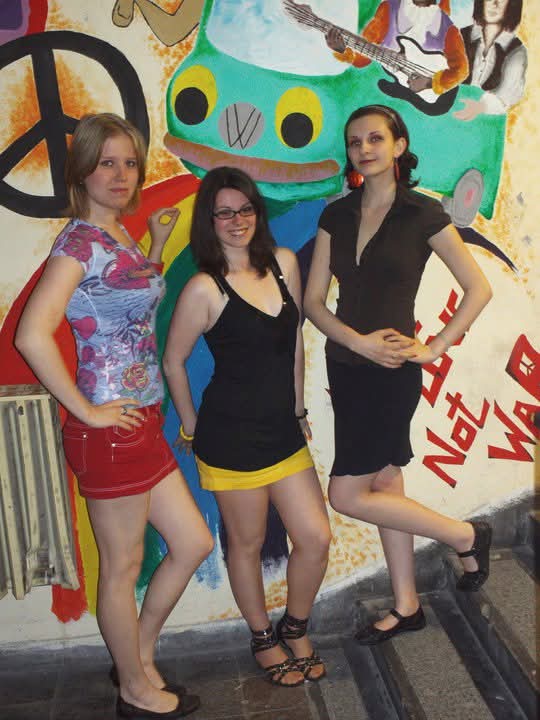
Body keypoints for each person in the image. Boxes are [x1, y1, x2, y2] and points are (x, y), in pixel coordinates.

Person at [15, 113, 213, 718]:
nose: (122, 174)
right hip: (110, 432)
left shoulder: (116, 233)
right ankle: (134, 687)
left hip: (142, 422)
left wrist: (153, 242)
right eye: (107, 163)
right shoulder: (77, 243)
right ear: (82, 171)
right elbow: (32, 335)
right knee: (123, 567)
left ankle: (136, 654)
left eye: (130, 162)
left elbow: (125, 303)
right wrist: (88, 412)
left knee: (193, 542)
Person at [303, 104, 493, 645]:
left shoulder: (422, 213)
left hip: (392, 373)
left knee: (346, 494)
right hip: (347, 367)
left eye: (375, 139)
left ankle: (464, 535)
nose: (364, 149)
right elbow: (314, 302)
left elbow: (478, 288)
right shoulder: (336, 215)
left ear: (399, 145)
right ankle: (407, 605)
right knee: (384, 482)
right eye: (355, 141)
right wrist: (356, 341)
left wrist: (434, 348)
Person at [163, 166, 331, 685]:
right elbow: (173, 361)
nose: (237, 220)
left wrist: (298, 410)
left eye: (245, 209)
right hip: (229, 437)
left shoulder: (283, 264)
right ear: (209, 221)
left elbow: (295, 342)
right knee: (247, 544)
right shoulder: (203, 288)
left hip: (282, 431)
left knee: (315, 537)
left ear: (257, 212)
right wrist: (191, 428)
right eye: (224, 213)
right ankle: (262, 637)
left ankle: (295, 627)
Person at [322, 0, 468, 98]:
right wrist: (343, 50)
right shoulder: (388, 8)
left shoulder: (447, 27)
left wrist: (430, 83)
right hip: (387, 94)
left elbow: (462, 70)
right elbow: (363, 58)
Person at [454, 0, 527, 121]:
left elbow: (508, 94)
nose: (494, 4)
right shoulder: (459, 36)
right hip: (452, 112)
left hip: (487, 121)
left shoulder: (516, 50)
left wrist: (481, 107)